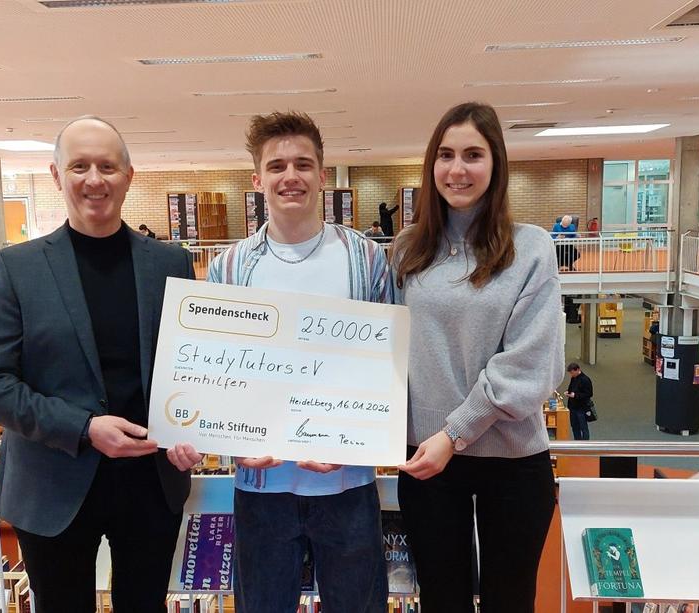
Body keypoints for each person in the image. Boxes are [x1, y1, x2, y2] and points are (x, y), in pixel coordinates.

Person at [0, 115, 200, 613]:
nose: (95, 179)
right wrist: (85, 427)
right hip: (52, 484)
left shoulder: (171, 263)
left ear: (129, 176)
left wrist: (197, 427)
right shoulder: (18, 268)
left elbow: (193, 367)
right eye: (80, 166)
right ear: (57, 175)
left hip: (151, 483)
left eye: (108, 167)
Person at [204, 111, 390, 613]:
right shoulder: (229, 268)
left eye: (303, 164)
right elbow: (214, 374)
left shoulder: (366, 259)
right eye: (277, 166)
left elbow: (386, 369)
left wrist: (355, 440)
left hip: (347, 483)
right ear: (257, 180)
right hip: (261, 487)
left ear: (322, 175)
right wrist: (231, 442)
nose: (291, 176)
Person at [392, 102, 564, 612]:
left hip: (511, 462)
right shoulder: (407, 250)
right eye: (445, 155)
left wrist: (454, 434)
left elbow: (530, 363)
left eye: (473, 155)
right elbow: (387, 348)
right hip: (426, 464)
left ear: (496, 164)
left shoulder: (531, 248)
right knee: (440, 601)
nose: (457, 169)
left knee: (509, 602)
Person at [565, 362, 594, 440]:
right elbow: (571, 388)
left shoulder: (586, 380)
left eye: (572, 373)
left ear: (578, 370)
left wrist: (576, 395)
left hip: (581, 408)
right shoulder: (573, 378)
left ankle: (585, 444)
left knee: (583, 427)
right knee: (574, 427)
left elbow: (589, 394)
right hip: (572, 407)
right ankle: (577, 442)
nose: (571, 375)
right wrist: (568, 392)